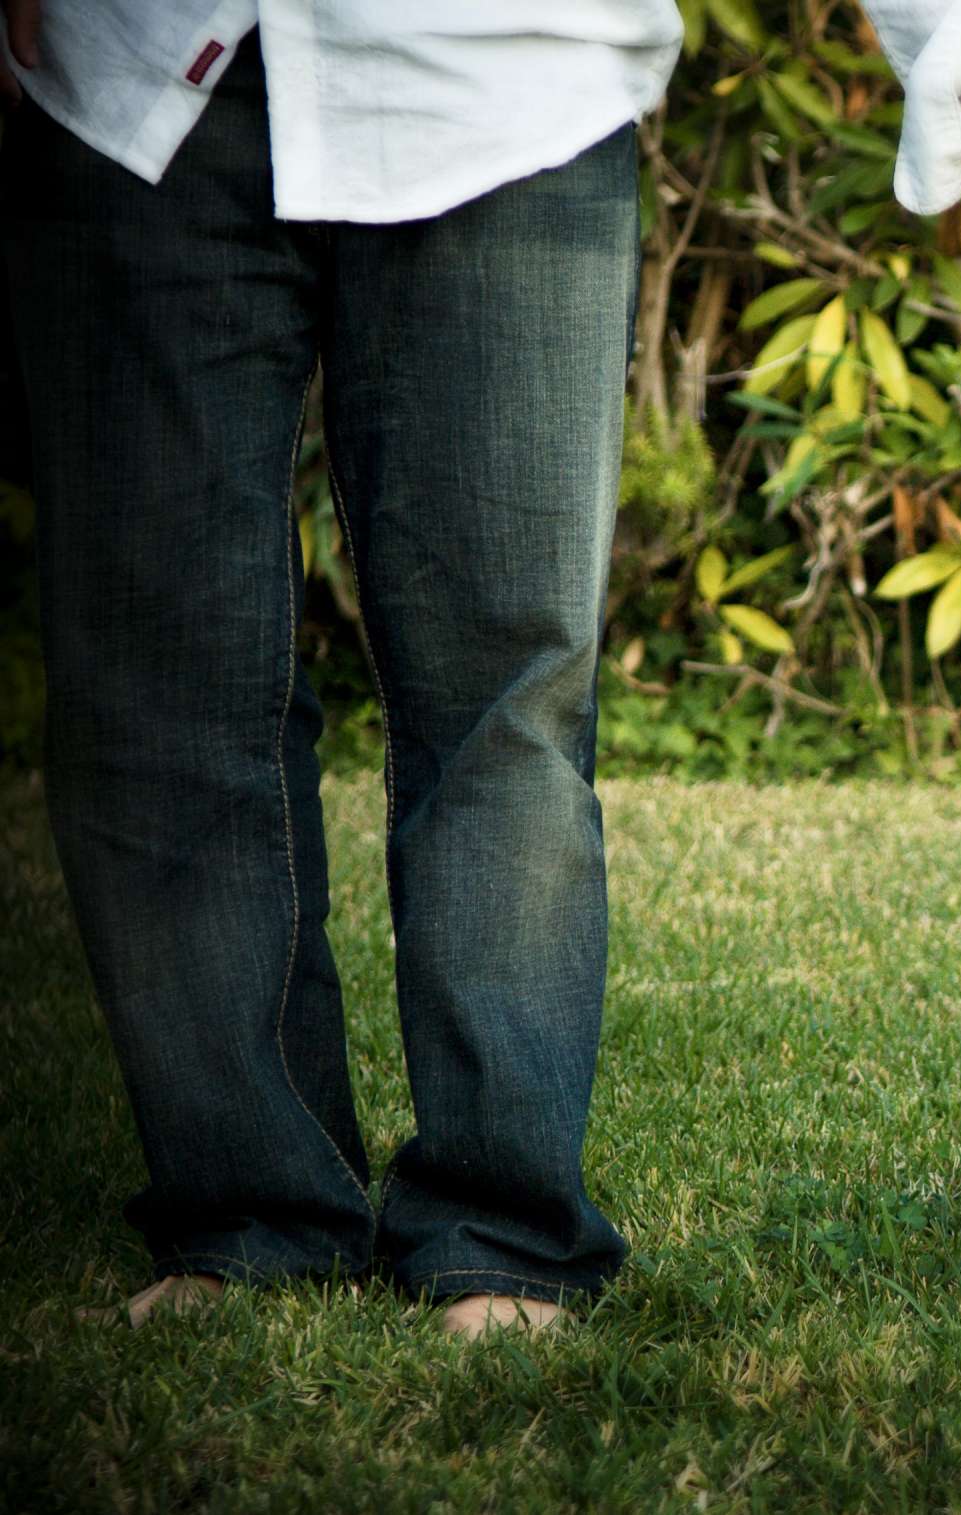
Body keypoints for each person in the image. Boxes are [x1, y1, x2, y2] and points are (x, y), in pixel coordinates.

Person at [0, 0, 683, 1336]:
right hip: (131, 77)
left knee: (504, 699)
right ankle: (249, 1208)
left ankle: (503, 1227)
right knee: (159, 680)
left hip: (505, 78)